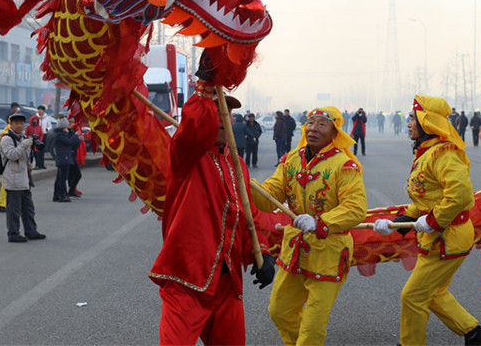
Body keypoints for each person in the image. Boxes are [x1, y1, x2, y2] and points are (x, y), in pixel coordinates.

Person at [149, 68, 274, 345]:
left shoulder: (236, 163)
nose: (222, 120)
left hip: (227, 280)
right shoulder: (187, 156)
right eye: (215, 114)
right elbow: (192, 129)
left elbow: (246, 216)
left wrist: (261, 253)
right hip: (186, 277)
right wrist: (204, 84)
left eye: (227, 115)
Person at [373, 96, 481, 346]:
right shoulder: (426, 152)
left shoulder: (444, 153)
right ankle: (474, 334)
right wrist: (403, 219)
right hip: (438, 235)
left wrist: (434, 220)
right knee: (433, 291)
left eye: (411, 118)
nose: (408, 123)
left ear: (425, 122)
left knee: (413, 296)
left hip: (448, 237)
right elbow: (426, 197)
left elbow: (459, 195)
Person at [251, 106, 367, 345]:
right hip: (294, 249)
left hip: (328, 253)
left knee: (313, 328)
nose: (313, 128)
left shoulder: (345, 165)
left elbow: (356, 208)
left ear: (334, 132)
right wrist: (247, 183)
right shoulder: (292, 159)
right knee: (279, 311)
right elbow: (269, 195)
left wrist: (320, 222)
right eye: (310, 123)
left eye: (321, 124)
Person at [1, 114, 45, 243]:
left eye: (22, 123)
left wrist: (33, 161)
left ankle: (31, 231)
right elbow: (12, 155)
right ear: (11, 124)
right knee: (14, 210)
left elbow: (26, 156)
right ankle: (13, 233)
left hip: (25, 179)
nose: (20, 126)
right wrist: (24, 145)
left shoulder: (24, 138)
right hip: (13, 179)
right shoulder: (7, 139)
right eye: (17, 123)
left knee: (28, 209)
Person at [51, 118, 80, 202]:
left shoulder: (62, 134)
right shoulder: (60, 135)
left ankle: (56, 195)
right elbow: (69, 142)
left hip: (64, 158)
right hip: (63, 158)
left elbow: (73, 144)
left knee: (60, 178)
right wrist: (75, 136)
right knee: (62, 178)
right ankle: (62, 195)